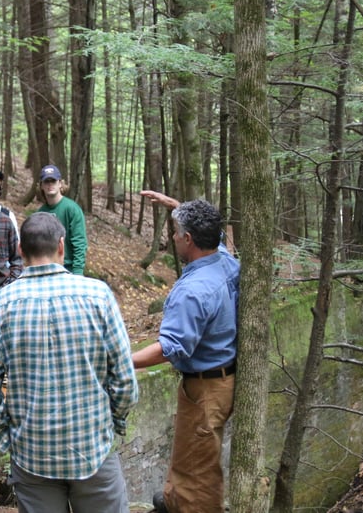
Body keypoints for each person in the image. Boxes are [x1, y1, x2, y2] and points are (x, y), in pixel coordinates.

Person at [0, 212, 138, 513]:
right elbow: (125, 381)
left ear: (20, 250)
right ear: (62, 246)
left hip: (32, 455)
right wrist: (112, 422)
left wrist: (8, 435)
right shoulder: (98, 296)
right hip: (94, 448)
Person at [132, 190, 239, 513]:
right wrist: (178, 207)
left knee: (199, 474)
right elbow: (215, 234)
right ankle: (172, 501)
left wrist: (120, 359)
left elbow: (171, 346)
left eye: (177, 233)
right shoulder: (224, 260)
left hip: (206, 389)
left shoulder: (194, 290)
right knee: (190, 455)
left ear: (188, 239)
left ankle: (186, 504)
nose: (173, 237)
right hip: (219, 380)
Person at [37, 165, 88, 275]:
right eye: (46, 181)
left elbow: (79, 242)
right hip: (46, 270)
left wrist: (78, 272)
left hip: (69, 269)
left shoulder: (72, 209)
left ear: (60, 183)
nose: (50, 184)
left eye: (53, 181)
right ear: (41, 185)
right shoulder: (40, 214)